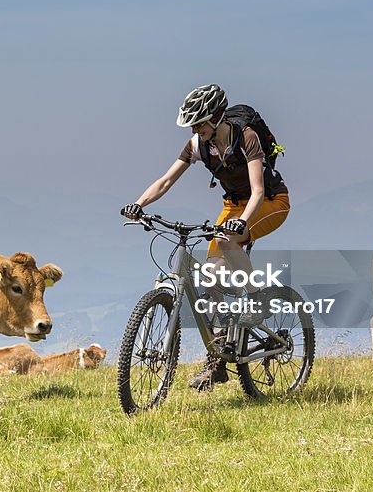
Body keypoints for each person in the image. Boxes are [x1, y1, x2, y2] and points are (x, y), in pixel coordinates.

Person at [121, 83, 291, 391]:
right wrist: (139, 204)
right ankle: (218, 360)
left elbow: (258, 191)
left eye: (199, 122)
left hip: (270, 203)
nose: (195, 128)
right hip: (232, 206)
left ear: (216, 118)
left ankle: (257, 300)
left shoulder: (247, 139)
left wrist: (241, 223)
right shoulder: (198, 145)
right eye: (192, 124)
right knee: (210, 278)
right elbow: (166, 180)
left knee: (228, 240)